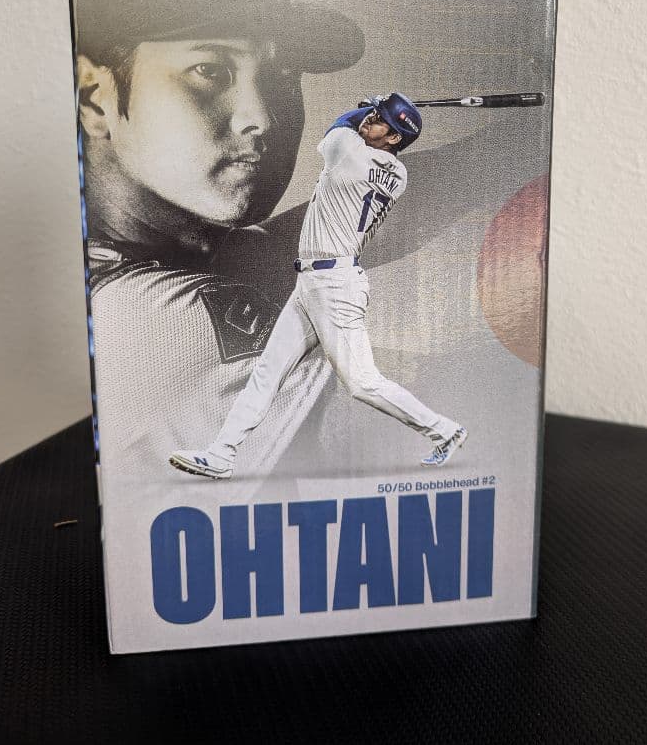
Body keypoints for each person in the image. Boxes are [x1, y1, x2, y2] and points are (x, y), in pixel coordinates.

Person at [74, 0, 364, 478]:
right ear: (95, 99)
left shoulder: (160, 251)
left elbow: (302, 235)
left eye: (283, 75)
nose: (262, 116)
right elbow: (442, 408)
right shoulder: (150, 322)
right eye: (209, 70)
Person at [169, 93, 468, 481]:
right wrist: (381, 110)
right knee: (267, 372)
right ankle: (222, 454)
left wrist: (366, 105)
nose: (370, 120)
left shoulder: (349, 153)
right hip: (315, 283)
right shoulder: (398, 175)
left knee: (362, 383)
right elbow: (358, 130)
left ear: (394, 138)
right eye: (373, 115)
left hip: (334, 287)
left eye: (379, 119)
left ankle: (444, 430)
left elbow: (339, 125)